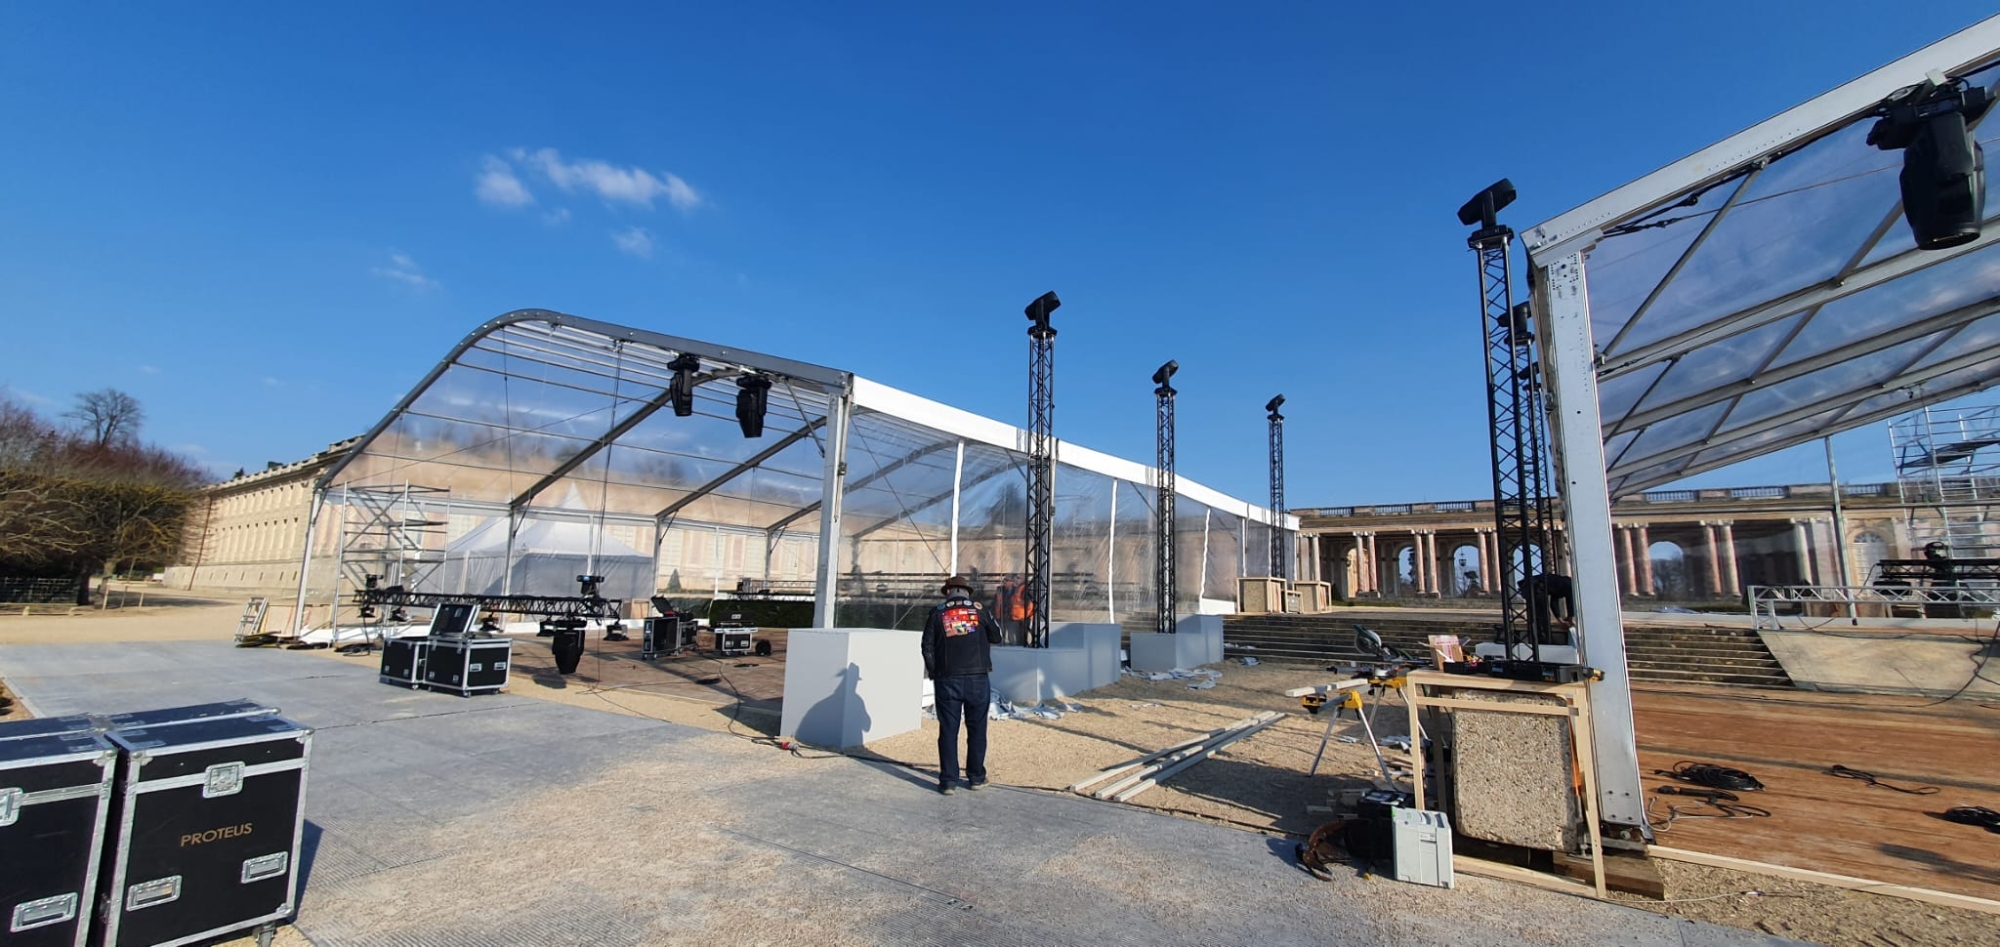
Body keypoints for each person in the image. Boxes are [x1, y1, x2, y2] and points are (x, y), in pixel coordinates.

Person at [921, 574, 1005, 795]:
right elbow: (997, 637)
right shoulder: (980, 610)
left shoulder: (937, 612)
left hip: (947, 679)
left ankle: (948, 781)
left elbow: (926, 647)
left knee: (948, 731)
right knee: (977, 729)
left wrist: (935, 673)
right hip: (977, 678)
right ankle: (976, 777)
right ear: (967, 591)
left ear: (948, 591)